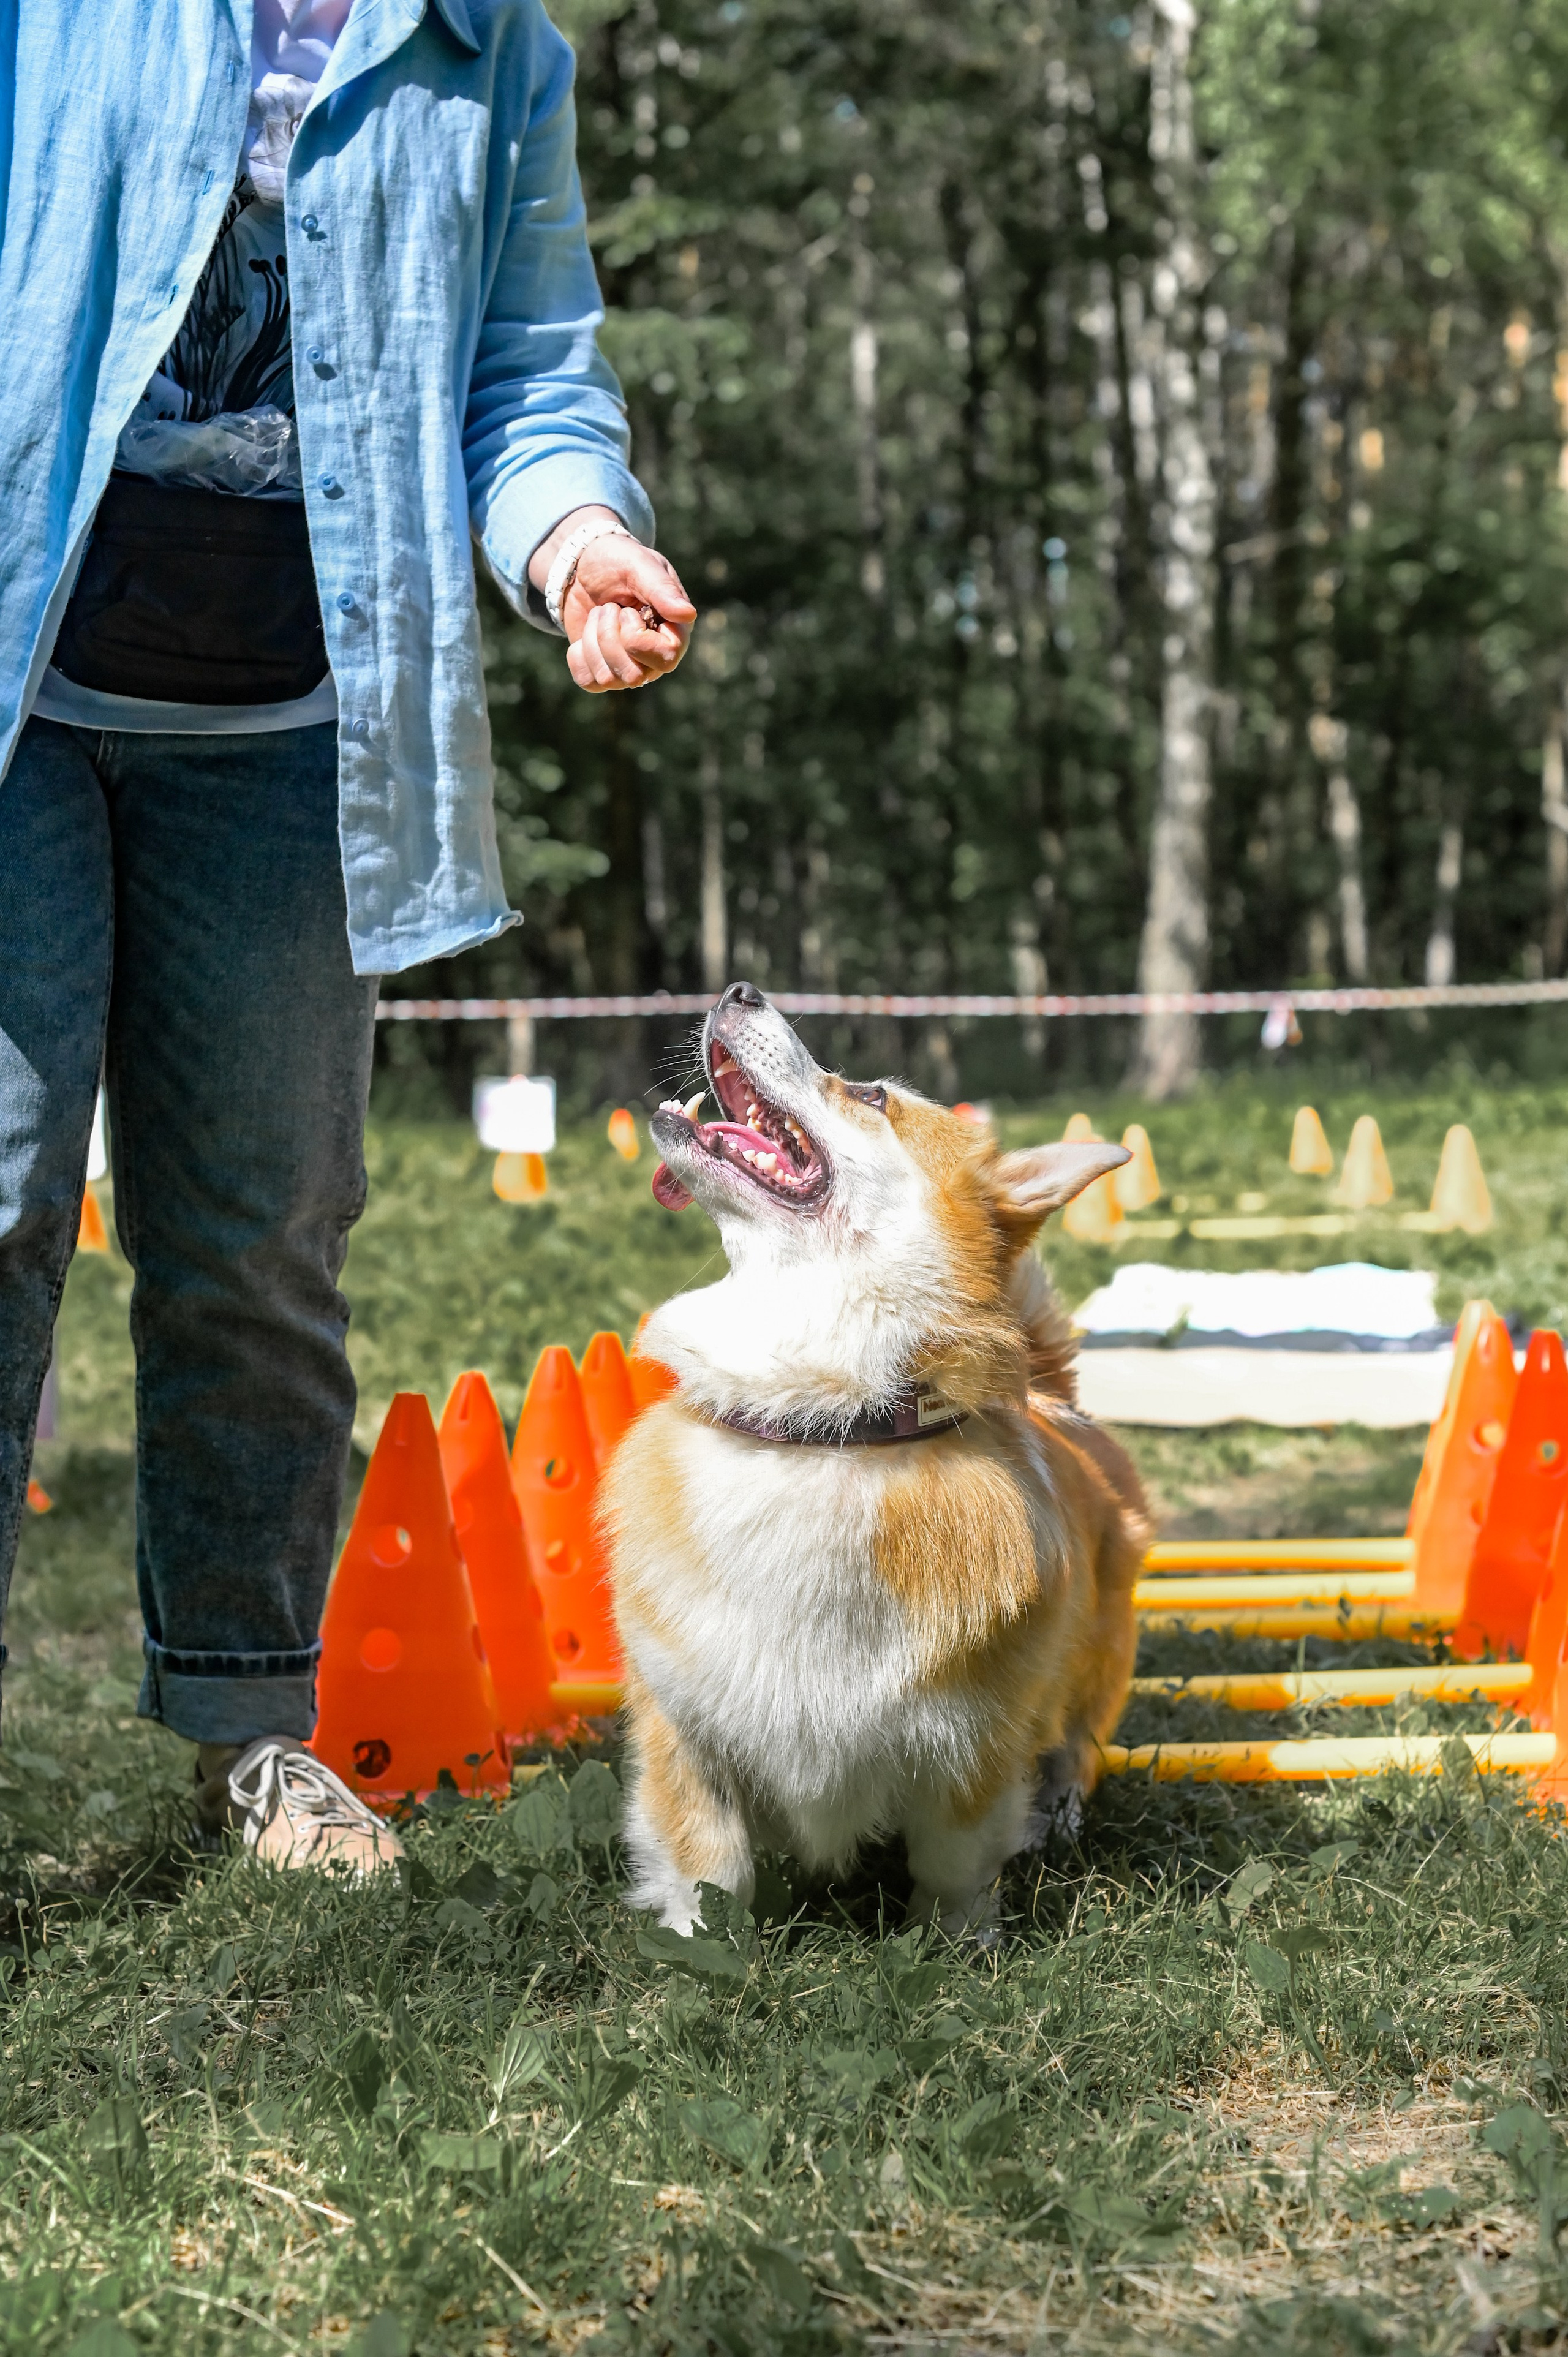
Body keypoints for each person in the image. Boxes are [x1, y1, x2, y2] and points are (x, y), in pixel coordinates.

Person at [0, 0, 696, 1874]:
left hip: (294, 731)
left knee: (259, 1231)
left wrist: (578, 550)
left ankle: (250, 1725)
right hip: (21, 690)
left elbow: (529, 378)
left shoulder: (498, 55)